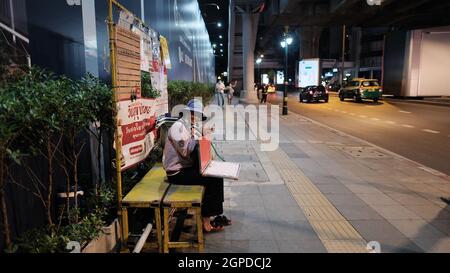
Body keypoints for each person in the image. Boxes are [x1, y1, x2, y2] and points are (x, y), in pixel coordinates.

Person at [163, 99, 231, 232]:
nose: (196, 118)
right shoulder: (178, 128)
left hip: (185, 168)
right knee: (213, 179)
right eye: (193, 114)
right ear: (187, 113)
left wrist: (203, 136)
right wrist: (201, 137)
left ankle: (211, 215)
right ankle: (206, 220)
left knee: (215, 174)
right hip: (177, 173)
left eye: (198, 116)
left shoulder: (189, 127)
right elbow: (186, 151)